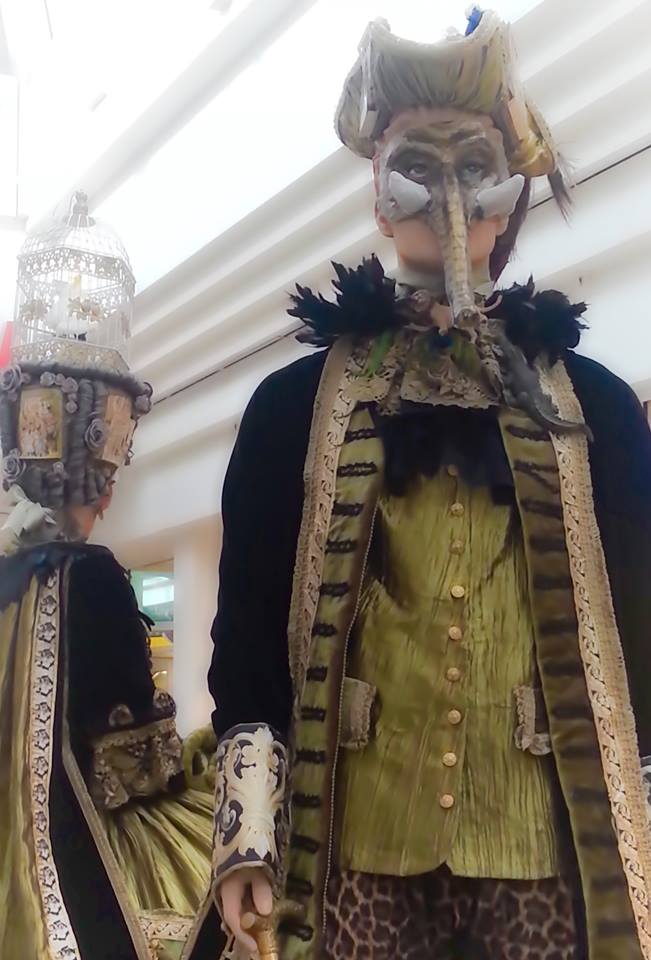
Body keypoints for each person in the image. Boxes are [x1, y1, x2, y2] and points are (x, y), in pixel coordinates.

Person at [190, 8, 651, 960]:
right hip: (356, 849)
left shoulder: (597, 410)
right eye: (414, 164)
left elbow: (643, 623)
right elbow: (249, 632)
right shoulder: (291, 409)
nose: (446, 190)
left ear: (507, 198)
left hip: (540, 848)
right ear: (376, 196)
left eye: (473, 164)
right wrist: (247, 837)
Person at [0, 303, 216, 959]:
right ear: (97, 483)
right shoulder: (91, 577)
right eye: (110, 477)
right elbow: (135, 765)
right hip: (71, 846)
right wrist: (199, 754)